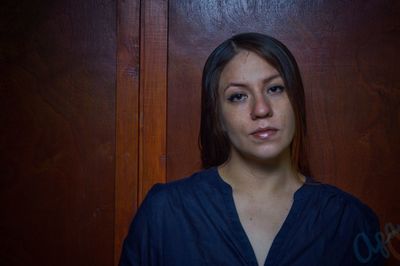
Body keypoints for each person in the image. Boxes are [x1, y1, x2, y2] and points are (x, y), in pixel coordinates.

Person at [119, 33, 386, 266]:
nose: (261, 109)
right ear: (218, 117)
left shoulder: (351, 222)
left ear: (296, 102)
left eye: (275, 89)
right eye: (238, 96)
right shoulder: (165, 212)